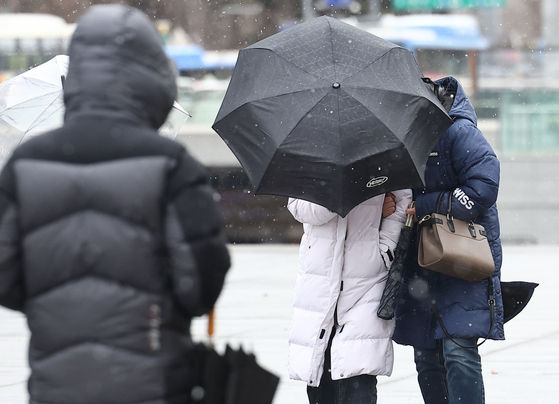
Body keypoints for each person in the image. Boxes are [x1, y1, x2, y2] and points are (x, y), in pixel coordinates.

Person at [0, 5, 230, 403]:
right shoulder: (172, 165)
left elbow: (5, 278)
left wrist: (55, 303)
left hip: (57, 385)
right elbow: (200, 285)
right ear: (154, 77)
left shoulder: (26, 163)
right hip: (155, 382)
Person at [393, 76, 504, 404]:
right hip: (420, 260)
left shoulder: (458, 131)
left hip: (462, 256)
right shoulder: (405, 138)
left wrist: (429, 205)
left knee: (458, 350)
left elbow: (484, 186)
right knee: (426, 355)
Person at [287, 189, 412, 404]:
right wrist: (336, 200)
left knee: (359, 367)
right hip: (320, 275)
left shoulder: (380, 157)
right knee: (319, 368)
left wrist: (385, 250)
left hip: (368, 276)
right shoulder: (312, 158)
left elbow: (402, 201)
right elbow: (299, 209)